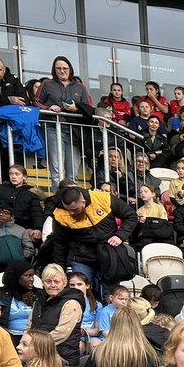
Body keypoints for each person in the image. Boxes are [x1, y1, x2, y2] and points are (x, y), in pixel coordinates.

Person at [45, 186, 137, 290]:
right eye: (68, 209)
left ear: (83, 202)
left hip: (109, 253)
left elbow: (131, 216)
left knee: (110, 294)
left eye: (74, 209)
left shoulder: (103, 198)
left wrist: (120, 236)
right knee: (79, 292)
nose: (71, 213)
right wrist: (60, 268)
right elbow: (60, 244)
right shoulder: (60, 214)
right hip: (81, 257)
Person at [29, 264, 84, 367]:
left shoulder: (72, 303)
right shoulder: (38, 301)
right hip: (39, 357)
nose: (52, 285)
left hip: (64, 359)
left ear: (64, 283)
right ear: (42, 282)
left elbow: (61, 333)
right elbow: (29, 326)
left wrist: (33, 345)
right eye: (48, 281)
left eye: (56, 281)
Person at [37, 56, 93, 185]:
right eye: (59, 68)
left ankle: (72, 201)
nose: (62, 71)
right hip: (53, 128)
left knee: (72, 171)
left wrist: (75, 109)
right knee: (57, 169)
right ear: (54, 70)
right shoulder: (47, 84)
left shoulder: (80, 87)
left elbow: (89, 108)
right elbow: (36, 102)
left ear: (70, 69)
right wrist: (48, 107)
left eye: (65, 68)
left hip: (74, 131)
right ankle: (59, 200)